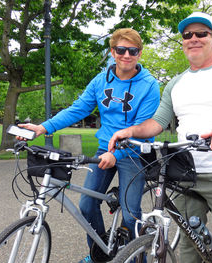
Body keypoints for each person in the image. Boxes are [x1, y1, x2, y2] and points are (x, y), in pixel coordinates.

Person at [108, 12, 212, 263]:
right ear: (183, 41)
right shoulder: (176, 83)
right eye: (187, 35)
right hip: (185, 175)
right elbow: (157, 122)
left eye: (200, 33)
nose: (193, 38)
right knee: (189, 250)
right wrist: (129, 131)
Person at [17, 28, 160, 263]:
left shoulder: (150, 85)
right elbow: (79, 109)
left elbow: (143, 129)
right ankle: (101, 252)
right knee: (86, 205)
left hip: (133, 153)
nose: (126, 55)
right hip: (105, 149)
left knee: (130, 214)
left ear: (139, 53)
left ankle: (137, 259)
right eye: (121, 49)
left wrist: (119, 153)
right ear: (112, 52)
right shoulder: (101, 80)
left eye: (132, 50)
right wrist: (44, 127)